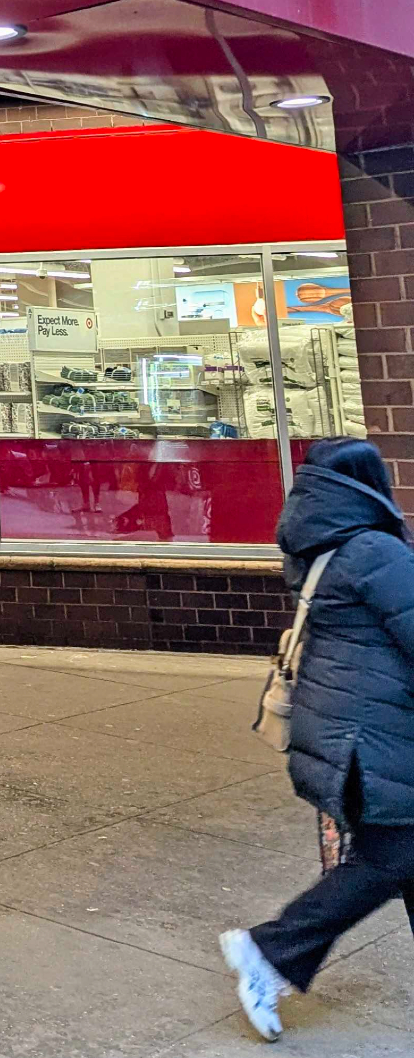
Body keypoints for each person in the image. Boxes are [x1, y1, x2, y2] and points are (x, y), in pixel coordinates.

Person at [221, 438, 414, 1042]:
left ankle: (274, 953)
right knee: (390, 859)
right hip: (374, 745)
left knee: (401, 857)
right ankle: (268, 950)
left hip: (348, 738)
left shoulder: (322, 551)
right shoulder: (374, 550)